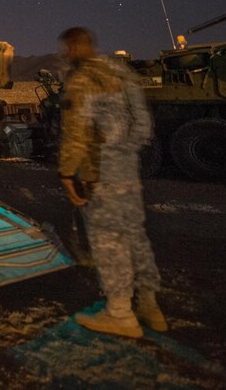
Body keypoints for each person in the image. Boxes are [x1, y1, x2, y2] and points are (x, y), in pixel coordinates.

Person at [58, 26, 167, 338]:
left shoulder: (81, 79)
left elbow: (77, 131)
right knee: (135, 237)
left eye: (68, 48)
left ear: (75, 46)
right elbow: (144, 125)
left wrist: (67, 172)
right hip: (127, 170)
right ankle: (149, 305)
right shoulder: (121, 73)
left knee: (109, 242)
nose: (66, 54)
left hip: (100, 171)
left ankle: (120, 313)